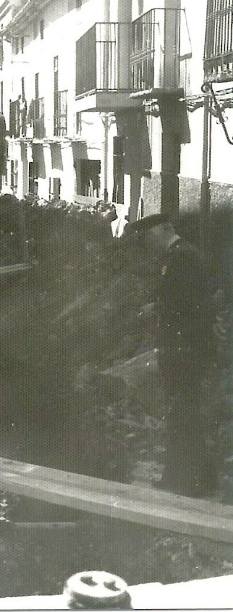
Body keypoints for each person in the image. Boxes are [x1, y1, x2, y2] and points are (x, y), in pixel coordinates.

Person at [128, 213, 219, 497]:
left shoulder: (180, 259)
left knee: (180, 413)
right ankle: (202, 479)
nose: (147, 244)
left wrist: (162, 326)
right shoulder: (185, 255)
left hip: (183, 349)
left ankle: (181, 481)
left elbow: (182, 309)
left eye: (148, 238)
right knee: (187, 411)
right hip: (189, 347)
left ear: (161, 232)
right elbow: (183, 301)